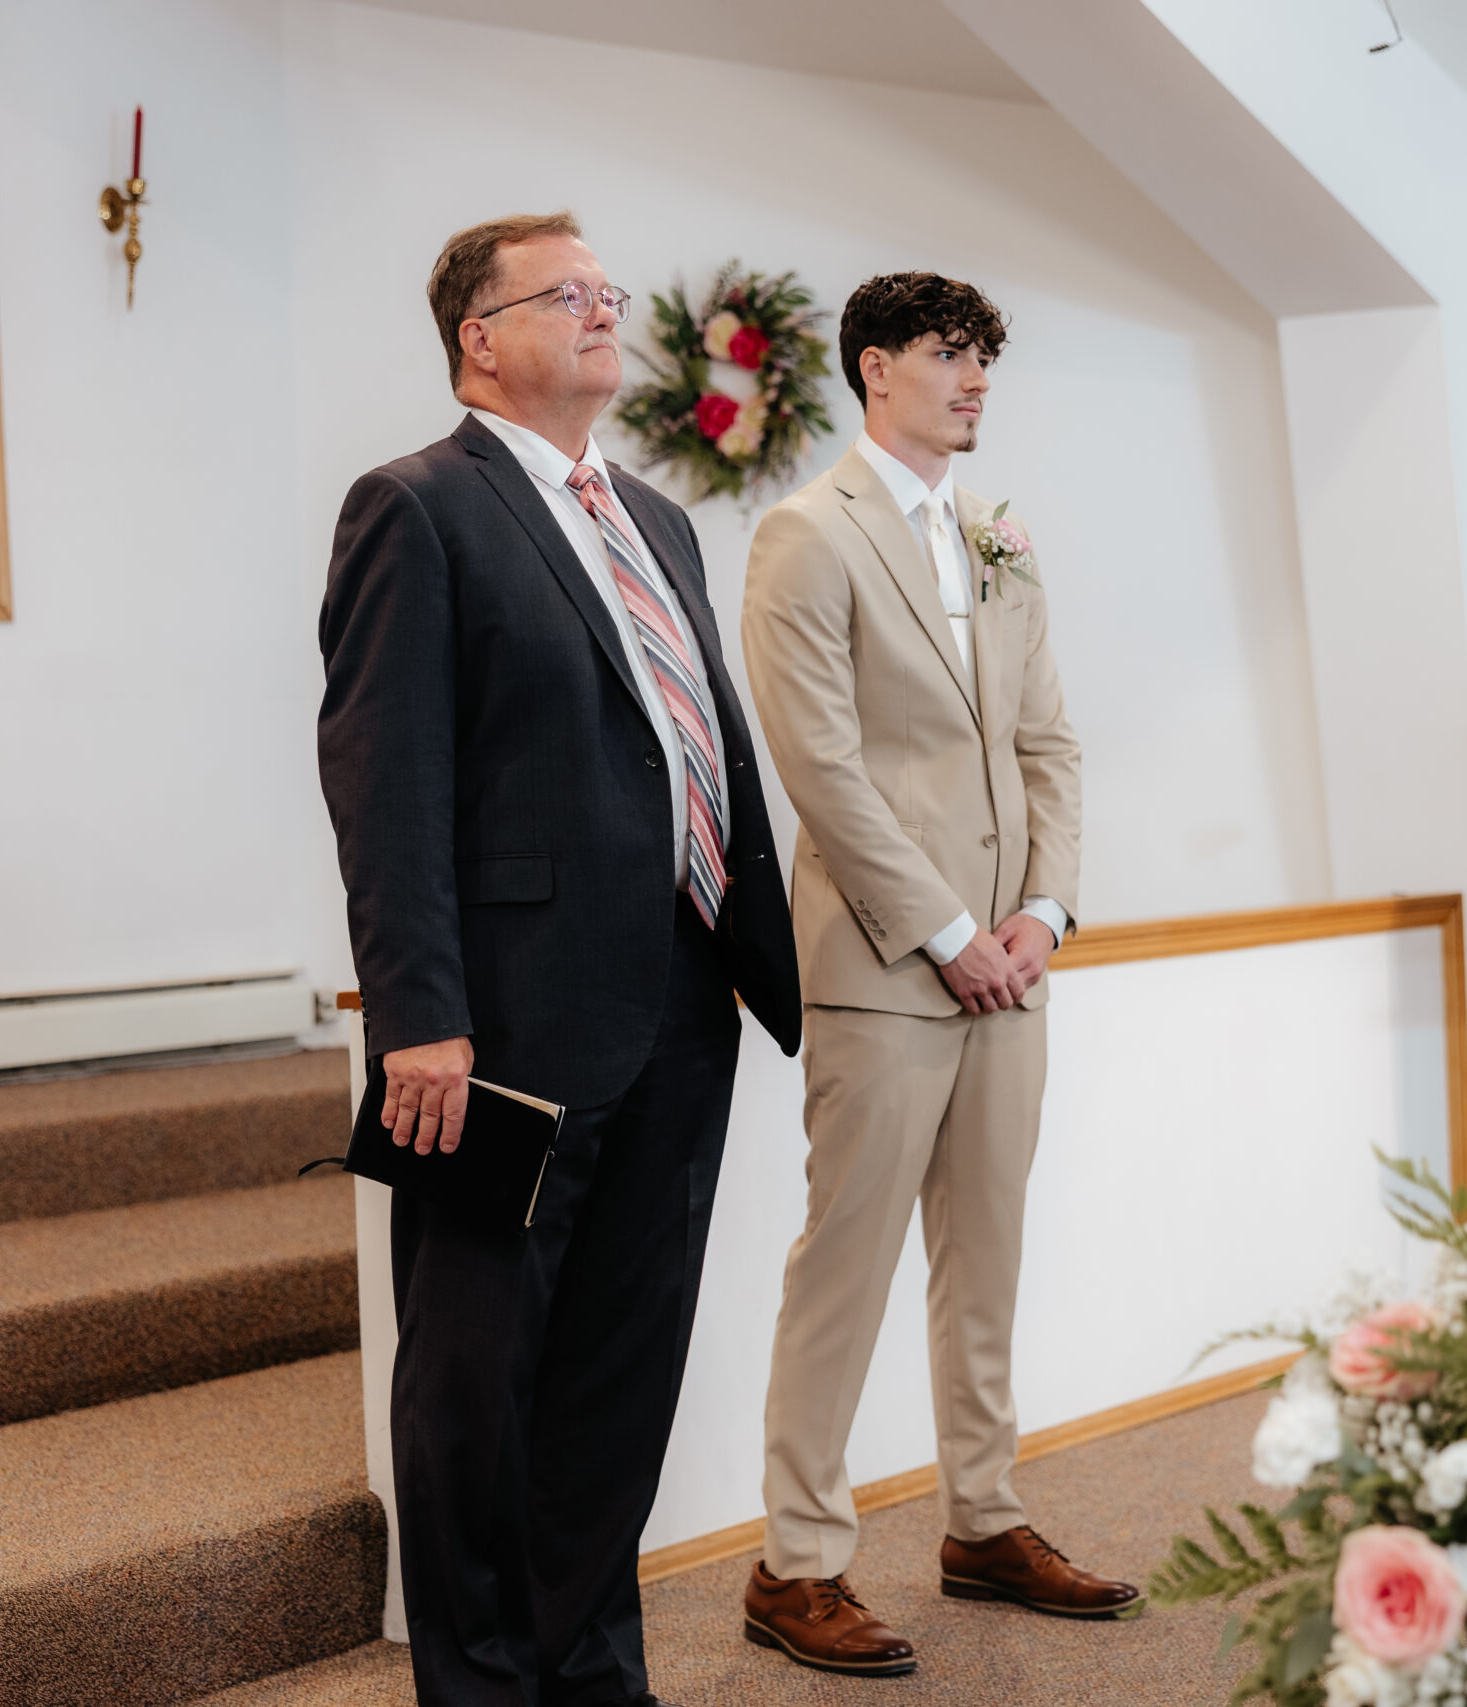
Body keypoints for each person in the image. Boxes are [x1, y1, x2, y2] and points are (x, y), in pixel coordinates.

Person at [316, 210, 800, 1707]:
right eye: (568, 294)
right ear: (482, 335)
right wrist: (420, 1019)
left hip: (676, 998)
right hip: (497, 1029)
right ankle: (479, 1688)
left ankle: (594, 1671)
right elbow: (384, 784)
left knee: (620, 1364)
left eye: (609, 291)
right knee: (472, 1375)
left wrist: (761, 957)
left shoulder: (659, 521)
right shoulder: (417, 507)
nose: (606, 311)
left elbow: (698, 742)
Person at [736, 272, 1135, 1677]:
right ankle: (797, 1562)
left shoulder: (996, 536)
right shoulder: (805, 537)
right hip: (883, 970)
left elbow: (1052, 746)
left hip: (1011, 968)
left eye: (985, 361)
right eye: (948, 358)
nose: (975, 382)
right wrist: (944, 931)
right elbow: (822, 770)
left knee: (989, 1256)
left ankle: (986, 1518)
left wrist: (1039, 911)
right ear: (874, 368)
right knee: (841, 1265)